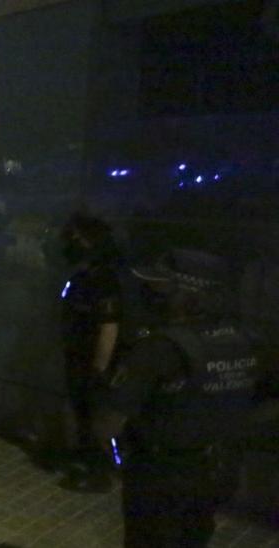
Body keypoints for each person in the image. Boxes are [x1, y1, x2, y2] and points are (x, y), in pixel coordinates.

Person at [95, 249, 279, 547]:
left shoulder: (159, 348)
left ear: (191, 296)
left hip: (160, 474)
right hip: (218, 470)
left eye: (162, 289)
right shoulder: (248, 342)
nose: (152, 295)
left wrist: (115, 451)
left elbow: (108, 424)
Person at [57, 213, 123, 492]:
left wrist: (99, 369)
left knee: (94, 419)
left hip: (92, 363)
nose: (71, 243)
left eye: (77, 238)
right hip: (78, 357)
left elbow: (109, 326)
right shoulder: (85, 274)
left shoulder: (103, 277)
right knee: (82, 415)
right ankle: (87, 465)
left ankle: (99, 474)